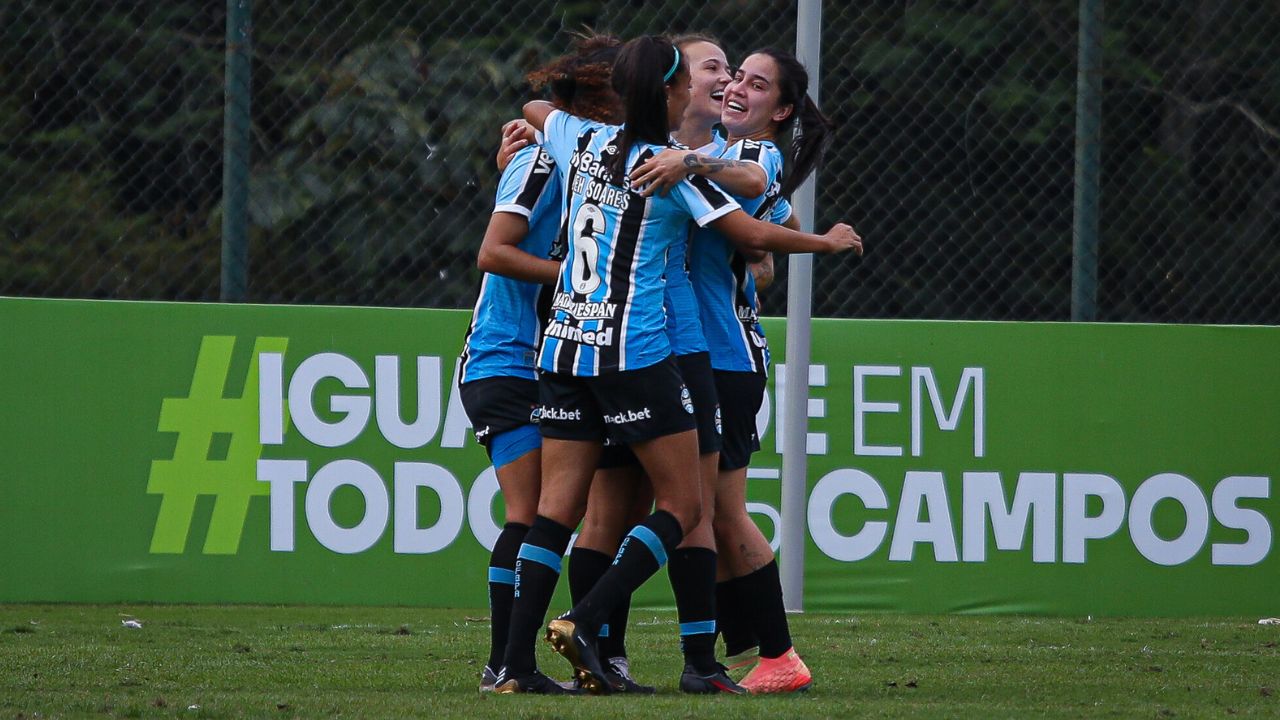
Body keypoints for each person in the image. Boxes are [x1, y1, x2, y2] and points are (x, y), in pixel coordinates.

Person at [496, 34, 860, 695]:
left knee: (558, 512)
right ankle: (590, 620)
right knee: (685, 505)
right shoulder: (662, 168)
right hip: (634, 354)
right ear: (665, 92)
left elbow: (539, 109)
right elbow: (750, 236)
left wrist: (531, 122)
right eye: (695, 76)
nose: (708, 85)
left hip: (565, 349)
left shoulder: (577, 139)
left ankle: (513, 668)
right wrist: (826, 241)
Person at [632, 45, 842, 694]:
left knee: (720, 510)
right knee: (704, 511)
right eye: (733, 77)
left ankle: (777, 654)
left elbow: (758, 193)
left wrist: (692, 162)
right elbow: (773, 232)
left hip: (726, 357)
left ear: (779, 109)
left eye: (755, 84)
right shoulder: (720, 152)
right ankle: (747, 644)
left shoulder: (747, 156)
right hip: (697, 350)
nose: (736, 88)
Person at [457, 33, 621, 694]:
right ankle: (507, 665)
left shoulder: (581, 161)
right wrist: (576, 277)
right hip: (504, 359)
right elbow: (493, 253)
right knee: (531, 514)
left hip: (546, 360)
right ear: (602, 104)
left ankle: (510, 663)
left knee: (547, 512)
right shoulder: (544, 165)